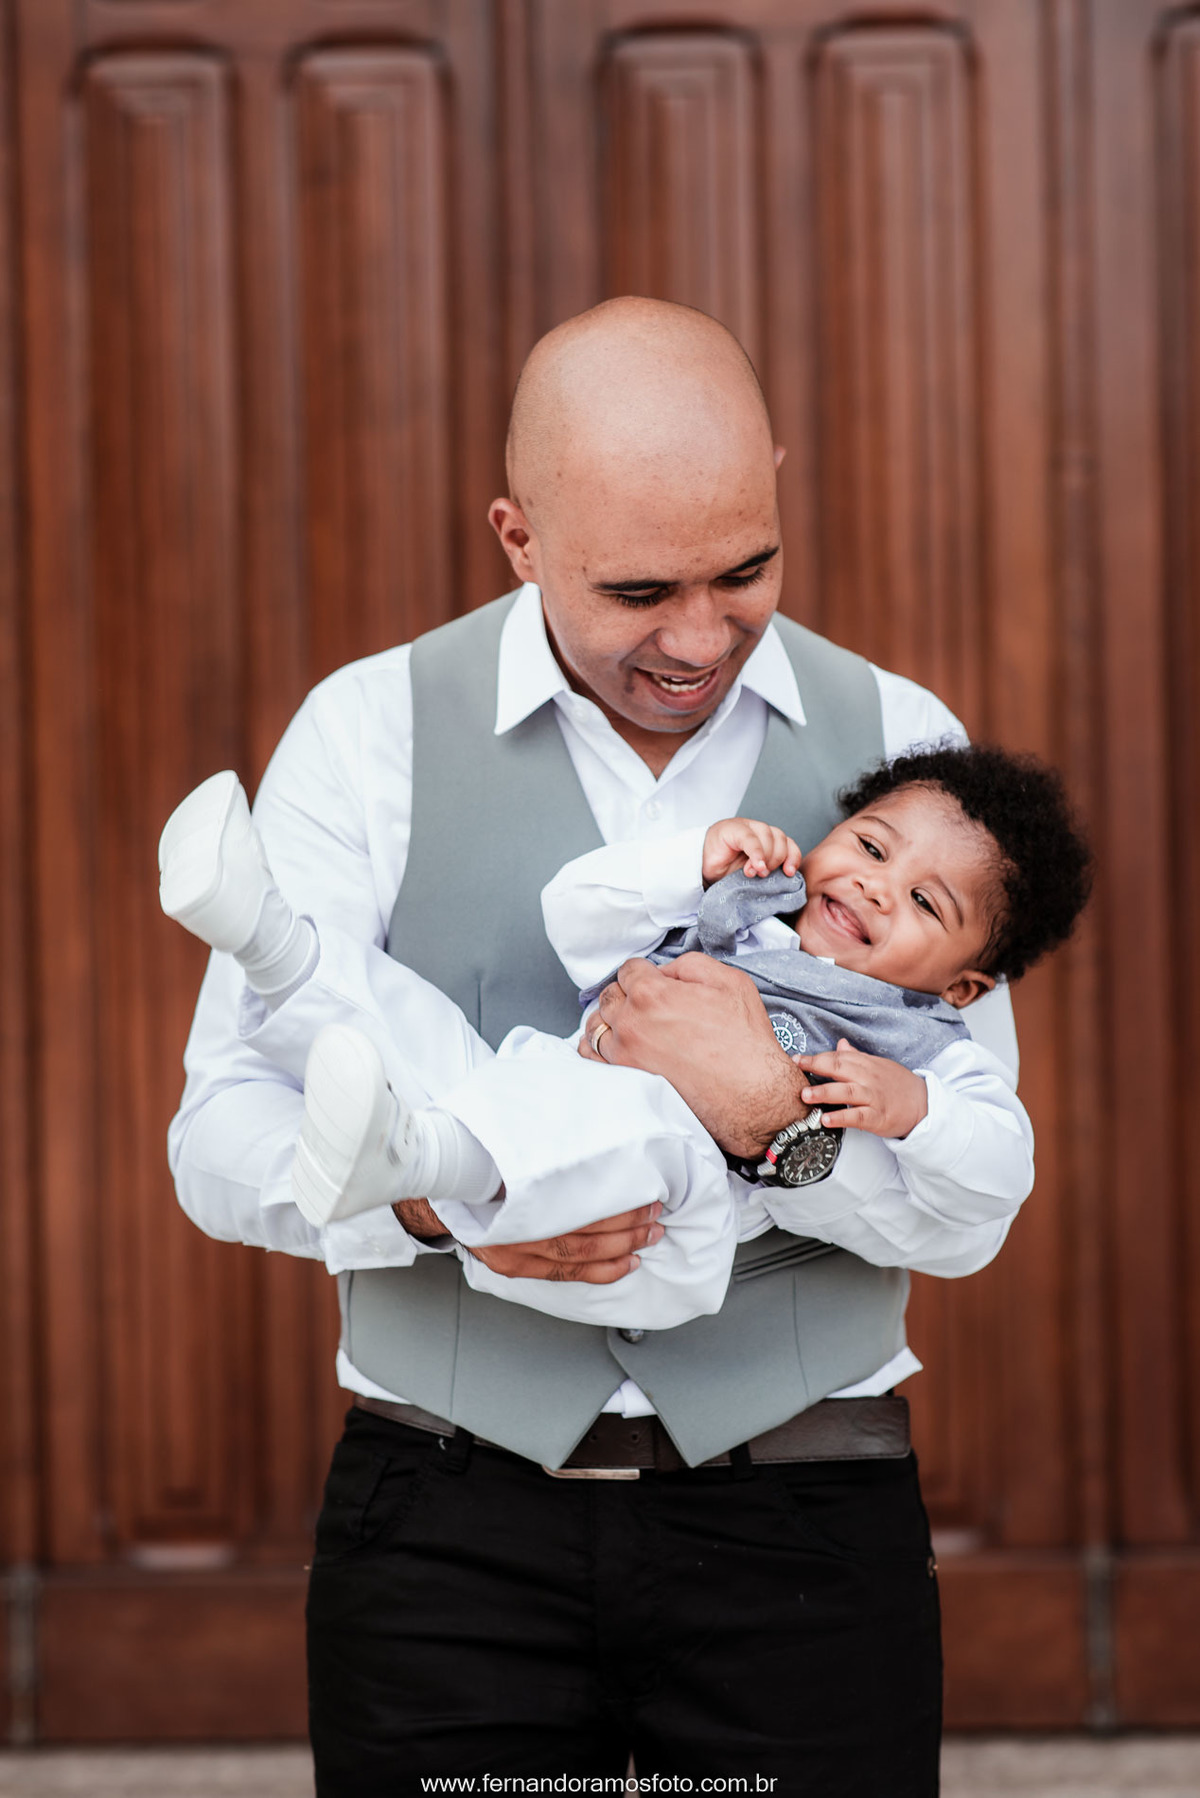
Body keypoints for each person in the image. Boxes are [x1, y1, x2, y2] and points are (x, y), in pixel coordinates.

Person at [168, 297, 1049, 1793]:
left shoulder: (906, 757)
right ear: (517, 535)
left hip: (802, 1525)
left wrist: (778, 1115)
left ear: (776, 479)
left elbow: (971, 1202)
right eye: (640, 587)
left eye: (746, 570)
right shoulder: (369, 730)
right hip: (449, 1531)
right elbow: (219, 1141)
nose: (698, 637)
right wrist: (438, 1211)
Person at [159, 744, 1090, 1332]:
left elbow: (996, 1185)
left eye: (926, 902)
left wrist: (916, 1112)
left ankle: (420, 1156)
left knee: (621, 1136)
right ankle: (269, 941)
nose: (880, 887)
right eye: (873, 848)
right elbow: (577, 919)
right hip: (550, 1094)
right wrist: (689, 861)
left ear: (966, 984)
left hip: (659, 1233)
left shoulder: (927, 1044)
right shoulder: (745, 914)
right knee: (432, 1045)